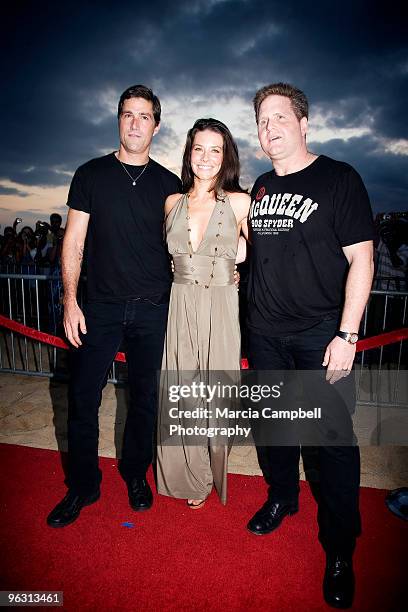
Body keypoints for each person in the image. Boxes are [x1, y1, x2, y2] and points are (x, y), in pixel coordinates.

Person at [246, 83, 374, 609]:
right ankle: (282, 498)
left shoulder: (339, 178)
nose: (269, 127)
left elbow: (362, 260)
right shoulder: (256, 185)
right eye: (261, 120)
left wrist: (347, 335)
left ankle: (340, 549)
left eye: (279, 117)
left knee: (333, 446)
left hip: (321, 334)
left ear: (303, 123)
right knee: (275, 432)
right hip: (265, 334)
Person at [47, 84, 181, 527]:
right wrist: (71, 301)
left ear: (156, 126)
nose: (135, 123)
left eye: (144, 116)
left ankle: (134, 473)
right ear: (118, 119)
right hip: (99, 307)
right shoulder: (89, 174)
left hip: (152, 310)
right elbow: (74, 242)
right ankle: (83, 486)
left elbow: (185, 246)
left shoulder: (169, 185)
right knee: (83, 398)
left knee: (145, 401)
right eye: (128, 115)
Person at [157, 118, 250, 508]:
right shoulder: (171, 203)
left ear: (226, 156)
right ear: (189, 153)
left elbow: (256, 253)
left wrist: (235, 268)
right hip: (181, 304)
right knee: (185, 393)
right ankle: (191, 478)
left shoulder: (241, 202)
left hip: (221, 305)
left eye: (216, 149)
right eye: (199, 148)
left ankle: (213, 469)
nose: (206, 157)